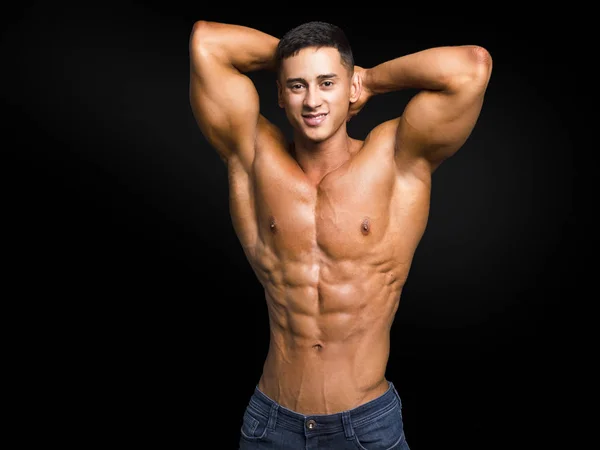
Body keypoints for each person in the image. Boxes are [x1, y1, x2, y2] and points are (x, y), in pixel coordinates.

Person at [189, 19, 492, 449]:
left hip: (365, 428)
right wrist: (307, 56)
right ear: (280, 92)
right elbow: (207, 41)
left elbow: (471, 67)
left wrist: (368, 77)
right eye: (296, 86)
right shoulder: (255, 156)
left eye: (327, 82)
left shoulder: (394, 159)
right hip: (271, 425)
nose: (313, 100)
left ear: (349, 88)